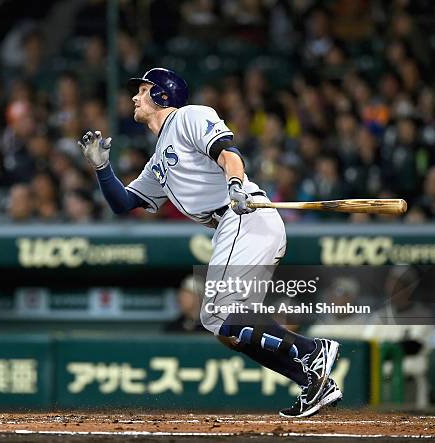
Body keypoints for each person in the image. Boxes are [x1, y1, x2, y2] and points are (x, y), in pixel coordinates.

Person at [78, 68, 341, 418]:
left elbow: (228, 153)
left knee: (216, 313)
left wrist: (235, 185)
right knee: (227, 330)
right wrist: (102, 168)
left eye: (142, 90)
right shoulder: (157, 162)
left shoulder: (189, 116)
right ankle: (313, 381)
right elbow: (124, 204)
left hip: (244, 214)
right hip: (238, 226)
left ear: (163, 95)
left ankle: (311, 351)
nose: (134, 98)